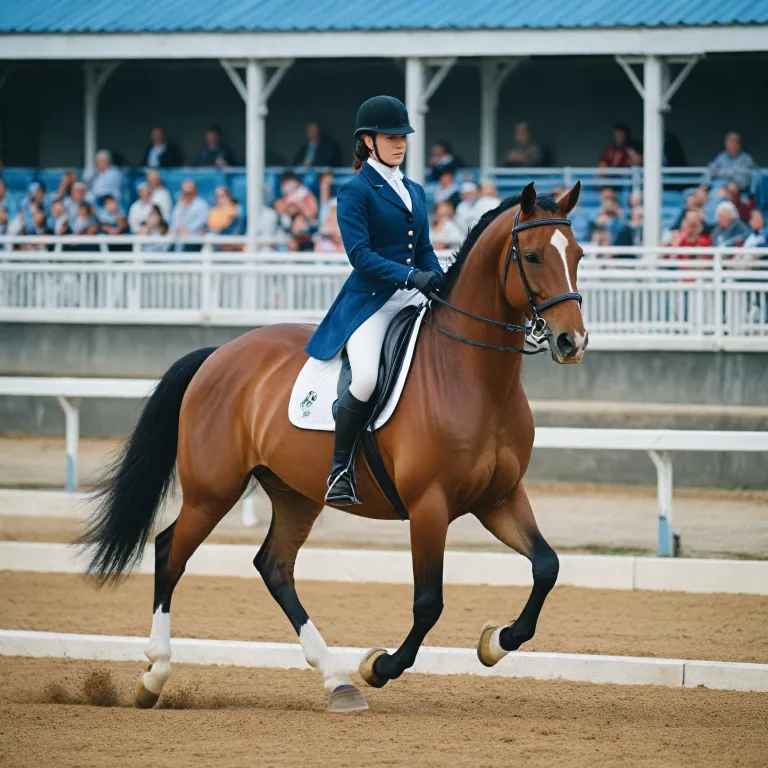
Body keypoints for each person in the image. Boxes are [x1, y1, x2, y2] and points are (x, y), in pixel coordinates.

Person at [304, 95, 444, 505]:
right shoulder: (355, 191)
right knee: (365, 379)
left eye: (403, 136)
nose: (400, 143)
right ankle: (340, 470)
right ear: (368, 141)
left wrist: (439, 279)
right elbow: (360, 256)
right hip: (372, 303)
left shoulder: (414, 190)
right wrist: (410, 276)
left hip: (413, 298)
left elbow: (424, 248)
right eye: (390, 136)